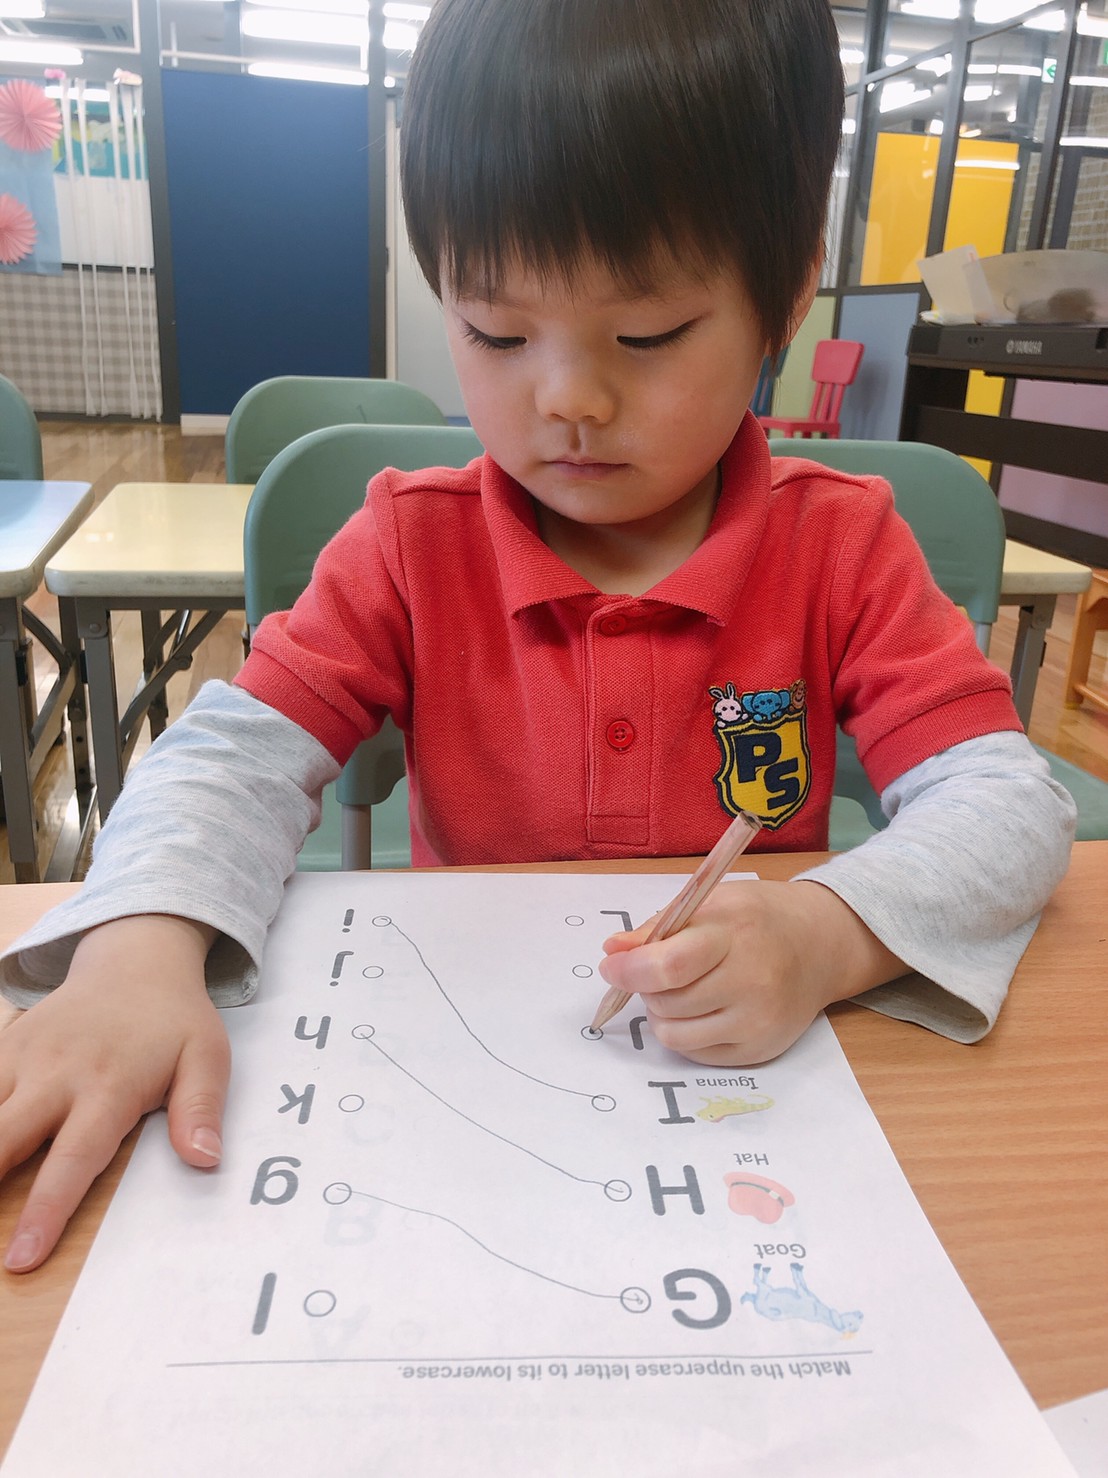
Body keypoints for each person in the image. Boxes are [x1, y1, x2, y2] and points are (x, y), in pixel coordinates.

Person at [0, 0, 1075, 1276]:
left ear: (784, 298)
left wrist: (828, 933)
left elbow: (1007, 801)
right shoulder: (410, 545)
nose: (567, 397)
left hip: (747, 1118)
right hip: (465, 1099)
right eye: (496, 333)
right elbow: (228, 757)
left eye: (648, 334)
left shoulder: (839, 546)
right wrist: (138, 947)